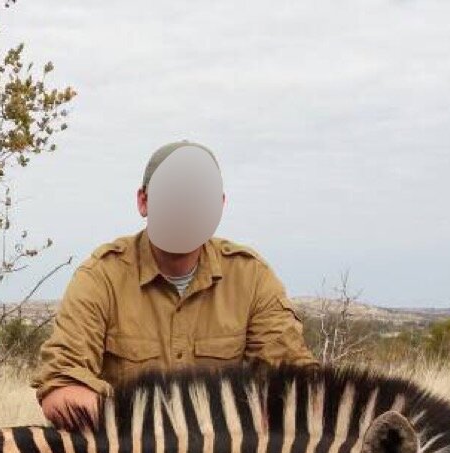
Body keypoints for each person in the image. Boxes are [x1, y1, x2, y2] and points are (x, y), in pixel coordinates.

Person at [32, 141, 316, 430]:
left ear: (219, 206)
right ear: (144, 201)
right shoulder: (101, 275)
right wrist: (154, 432)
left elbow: (300, 389)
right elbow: (61, 386)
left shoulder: (251, 277)